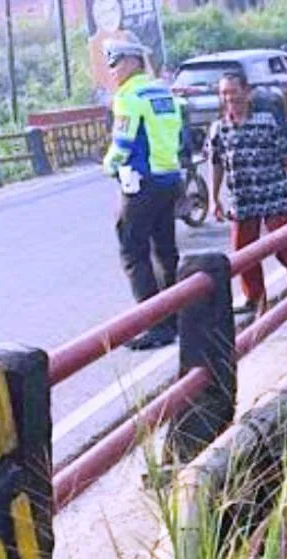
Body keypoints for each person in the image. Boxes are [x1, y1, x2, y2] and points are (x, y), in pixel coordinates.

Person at [102, 39, 183, 351]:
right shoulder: (162, 91)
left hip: (141, 182)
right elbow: (178, 133)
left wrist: (108, 166)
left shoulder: (128, 96)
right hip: (169, 179)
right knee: (165, 250)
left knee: (133, 252)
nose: (113, 71)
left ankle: (156, 324)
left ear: (133, 61)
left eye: (116, 63)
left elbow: (122, 145)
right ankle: (175, 316)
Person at [208, 72, 287, 315]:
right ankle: (254, 298)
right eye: (224, 93)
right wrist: (214, 198)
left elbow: (284, 153)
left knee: (284, 247)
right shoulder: (219, 128)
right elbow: (216, 163)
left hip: (272, 194)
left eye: (233, 91)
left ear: (247, 91)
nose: (229, 98)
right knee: (244, 252)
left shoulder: (266, 121)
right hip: (242, 197)